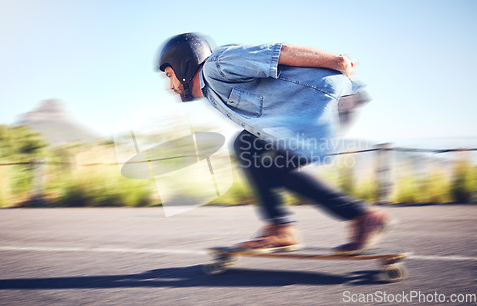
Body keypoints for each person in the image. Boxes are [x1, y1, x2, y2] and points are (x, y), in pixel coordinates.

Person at [158, 33, 397, 255]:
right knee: (246, 145)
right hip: (306, 113)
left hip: (323, 102)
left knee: (275, 165)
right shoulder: (212, 92)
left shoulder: (217, 65)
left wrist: (337, 60)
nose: (170, 86)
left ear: (184, 65)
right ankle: (283, 228)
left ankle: (356, 218)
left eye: (169, 75)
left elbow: (278, 52)